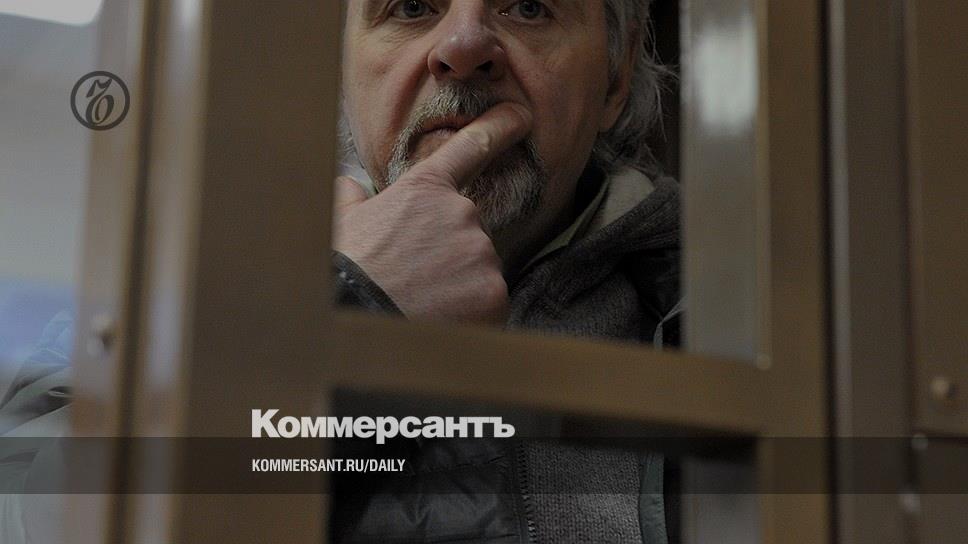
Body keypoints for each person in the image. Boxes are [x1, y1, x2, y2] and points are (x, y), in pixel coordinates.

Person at [331, 1, 682, 542]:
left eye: (529, 7)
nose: (463, 47)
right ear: (337, 71)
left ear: (616, 76)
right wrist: (356, 302)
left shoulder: (752, 324)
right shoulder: (228, 312)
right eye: (412, 6)